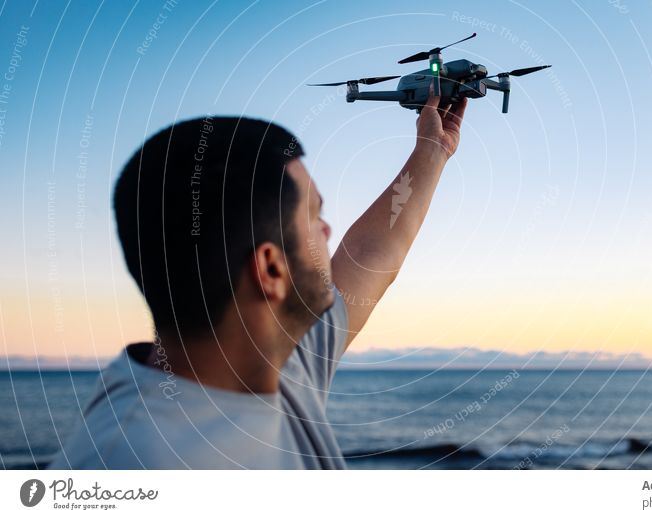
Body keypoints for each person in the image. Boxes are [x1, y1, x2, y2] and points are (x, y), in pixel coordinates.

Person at [48, 89, 468, 469]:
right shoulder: (131, 464)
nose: (328, 232)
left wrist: (432, 150)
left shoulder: (275, 359)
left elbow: (370, 256)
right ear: (270, 270)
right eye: (315, 217)